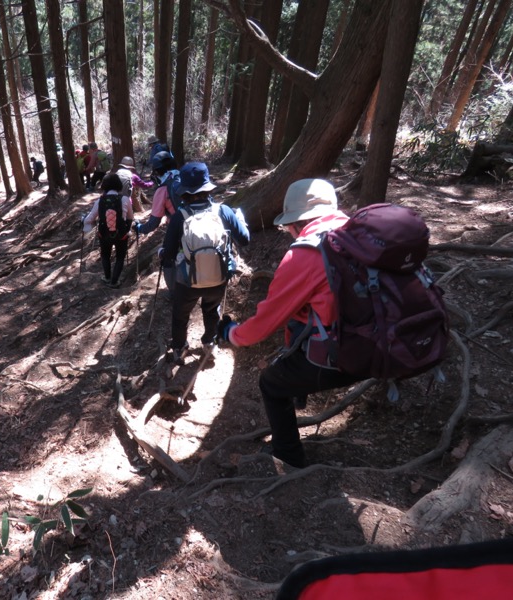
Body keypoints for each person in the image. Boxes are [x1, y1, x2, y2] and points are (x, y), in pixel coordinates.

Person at [216, 179, 367, 469]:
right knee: (297, 347)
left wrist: (232, 334)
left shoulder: (305, 255)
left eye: (287, 225)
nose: (287, 232)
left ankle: (288, 456)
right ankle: (299, 398)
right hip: (385, 343)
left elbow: (264, 323)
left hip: (342, 355)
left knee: (271, 382)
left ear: (298, 222)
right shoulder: (360, 235)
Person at [160, 162, 250, 364]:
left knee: (180, 315)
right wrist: (240, 219)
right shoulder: (223, 211)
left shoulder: (179, 216)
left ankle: (179, 349)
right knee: (211, 310)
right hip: (218, 277)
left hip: (187, 282)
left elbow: (169, 253)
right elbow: (244, 239)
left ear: (183, 191)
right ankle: (209, 342)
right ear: (207, 186)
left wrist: (164, 255)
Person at [133, 151, 180, 291]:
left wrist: (139, 228)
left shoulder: (163, 189)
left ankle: (174, 293)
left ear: (158, 171)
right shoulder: (187, 177)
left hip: (179, 230)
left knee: (168, 258)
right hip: (202, 223)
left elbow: (154, 223)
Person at [82, 173, 134, 288]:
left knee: (105, 255)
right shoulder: (125, 199)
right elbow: (130, 217)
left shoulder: (100, 201)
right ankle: (115, 282)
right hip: (121, 234)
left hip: (104, 233)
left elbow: (90, 218)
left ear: (104, 185)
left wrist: (84, 222)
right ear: (118, 185)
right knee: (120, 256)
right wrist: (127, 229)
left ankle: (107, 277)